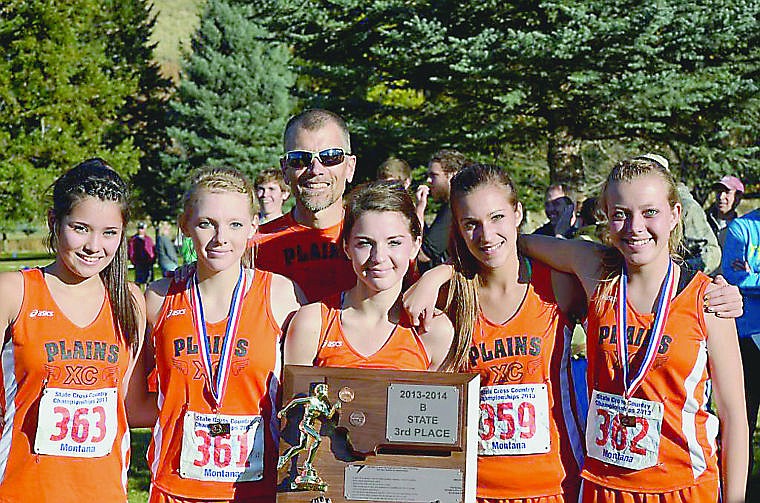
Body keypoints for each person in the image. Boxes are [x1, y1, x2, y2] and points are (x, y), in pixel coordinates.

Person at [519, 156, 748, 502]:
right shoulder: (596, 271)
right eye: (621, 214)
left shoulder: (709, 300)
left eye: (649, 212)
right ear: (607, 220)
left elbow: (735, 420)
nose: (634, 227)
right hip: (604, 486)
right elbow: (511, 244)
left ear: (674, 215)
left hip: (681, 487)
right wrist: (438, 274)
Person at [403, 164, 586, 501]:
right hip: (475, 487)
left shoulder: (558, 284)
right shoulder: (449, 297)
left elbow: (609, 263)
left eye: (497, 217)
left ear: (518, 213)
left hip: (556, 485)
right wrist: (436, 275)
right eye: (471, 224)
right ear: (457, 228)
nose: (486, 236)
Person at [145, 167, 302, 503]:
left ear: (253, 227)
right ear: (186, 226)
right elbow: (133, 401)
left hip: (257, 490)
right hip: (175, 489)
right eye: (206, 224)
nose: (221, 238)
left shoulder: (281, 295)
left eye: (234, 224)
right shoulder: (157, 299)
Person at [0, 158, 149, 501]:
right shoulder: (13, 292)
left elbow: (129, 404)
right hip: (22, 490)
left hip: (104, 493)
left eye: (109, 232)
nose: (94, 245)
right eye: (80, 228)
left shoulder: (129, 301)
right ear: (55, 221)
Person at [284, 181, 454, 371]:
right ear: (346, 247)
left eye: (394, 243)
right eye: (365, 243)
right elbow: (294, 399)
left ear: (415, 246)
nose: (378, 257)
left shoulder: (433, 329)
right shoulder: (311, 323)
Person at [254, 109, 357, 302]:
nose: (316, 170)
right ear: (285, 169)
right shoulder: (255, 248)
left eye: (330, 157)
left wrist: (433, 278)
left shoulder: (378, 244)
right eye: (300, 159)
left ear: (350, 167)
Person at [722, 207, 760, 494]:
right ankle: (739, 489)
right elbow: (734, 279)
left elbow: (748, 280)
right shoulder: (741, 229)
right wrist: (748, 278)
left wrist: (754, 276)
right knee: (741, 421)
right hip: (748, 338)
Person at [415, 149, 467, 272]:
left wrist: (419, 210)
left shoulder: (454, 207)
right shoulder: (456, 204)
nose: (428, 181)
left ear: (452, 175)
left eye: (434, 175)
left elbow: (423, 254)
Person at [707, 175, 744, 247]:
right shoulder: (704, 221)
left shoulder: (742, 228)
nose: (721, 197)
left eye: (727, 192)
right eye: (719, 192)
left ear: (738, 197)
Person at [129, 221, 155, 287]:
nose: (141, 230)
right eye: (139, 228)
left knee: (149, 281)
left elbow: (152, 249)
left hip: (148, 263)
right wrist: (133, 261)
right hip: (139, 263)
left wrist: (153, 259)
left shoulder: (148, 239)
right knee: (139, 281)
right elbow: (131, 252)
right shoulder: (133, 240)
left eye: (142, 228)